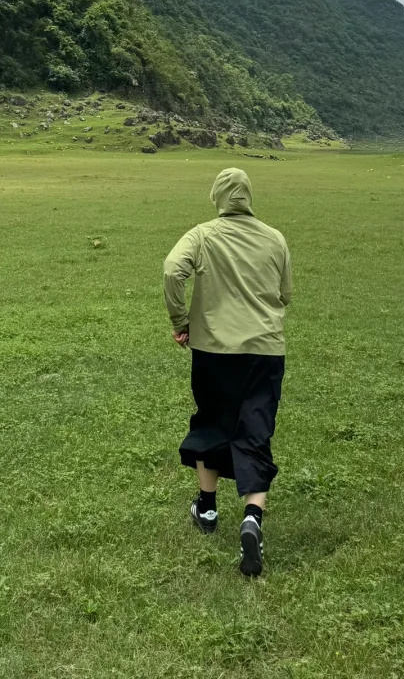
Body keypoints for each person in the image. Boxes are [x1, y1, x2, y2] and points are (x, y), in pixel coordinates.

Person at [163, 167, 292, 578]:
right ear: (249, 197)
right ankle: (252, 517)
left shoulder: (202, 235)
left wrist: (182, 321)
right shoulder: (275, 238)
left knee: (212, 421)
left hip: (213, 349)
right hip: (265, 351)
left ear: (217, 197)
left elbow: (172, 270)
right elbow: (285, 294)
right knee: (255, 429)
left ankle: (207, 506)